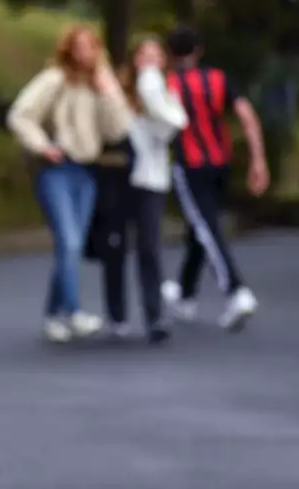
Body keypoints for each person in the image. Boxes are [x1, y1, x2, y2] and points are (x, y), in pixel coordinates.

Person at [7, 26, 133, 343]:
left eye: (90, 47)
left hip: (88, 171)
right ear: (68, 50)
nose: (85, 54)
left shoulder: (101, 83)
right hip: (58, 170)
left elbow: (118, 131)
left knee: (71, 244)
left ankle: (53, 315)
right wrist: (41, 146)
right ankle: (74, 312)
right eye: (78, 47)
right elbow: (20, 114)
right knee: (69, 241)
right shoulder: (55, 79)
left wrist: (109, 93)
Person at [160, 24, 268, 331]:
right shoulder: (219, 79)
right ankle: (185, 293)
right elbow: (247, 117)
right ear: (199, 50)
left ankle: (236, 291)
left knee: (206, 227)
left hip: (190, 166)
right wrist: (258, 160)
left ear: (170, 53)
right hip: (220, 164)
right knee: (200, 227)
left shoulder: (168, 84)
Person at [95, 36, 187, 344]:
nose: (148, 60)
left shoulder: (164, 93)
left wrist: (154, 96)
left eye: (155, 55)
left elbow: (170, 128)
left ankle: (154, 315)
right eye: (143, 55)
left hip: (151, 179)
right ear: (134, 59)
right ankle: (117, 314)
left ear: (162, 61)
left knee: (149, 247)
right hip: (120, 176)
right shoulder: (119, 91)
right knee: (116, 246)